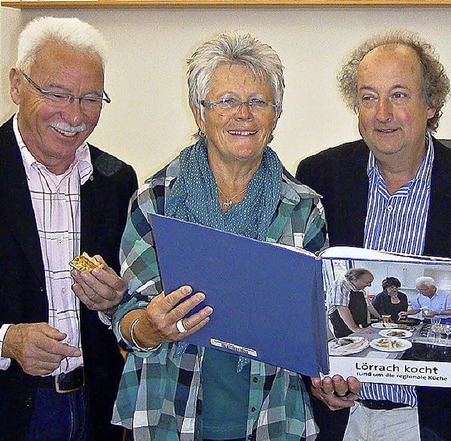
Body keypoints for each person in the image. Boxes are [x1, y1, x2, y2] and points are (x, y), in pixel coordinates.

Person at [110, 33, 358, 440]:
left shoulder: (303, 206)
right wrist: (150, 327)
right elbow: (127, 316)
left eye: (258, 102)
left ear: (276, 115)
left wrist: (328, 377)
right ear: (199, 114)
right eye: (225, 101)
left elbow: (315, 326)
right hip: (170, 414)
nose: (243, 114)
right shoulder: (156, 199)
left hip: (273, 418)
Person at [296, 30, 451, 441]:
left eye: (398, 95)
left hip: (427, 421)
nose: (382, 114)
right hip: (339, 417)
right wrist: (315, 379)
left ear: (431, 104)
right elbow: (303, 293)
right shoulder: (319, 177)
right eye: (368, 97)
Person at [0, 17, 137, 441]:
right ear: (17, 85)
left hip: (96, 406)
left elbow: (136, 308)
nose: (74, 115)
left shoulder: (117, 180)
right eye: (57, 94)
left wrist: (116, 302)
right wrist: (5, 340)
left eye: (91, 98)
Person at [328, 268, 380, 338]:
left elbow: (369, 306)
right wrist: (355, 328)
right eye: (367, 282)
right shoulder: (341, 285)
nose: (369, 285)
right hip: (342, 325)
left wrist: (380, 317)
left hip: (356, 324)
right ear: (355, 279)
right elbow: (342, 308)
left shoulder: (361, 290)